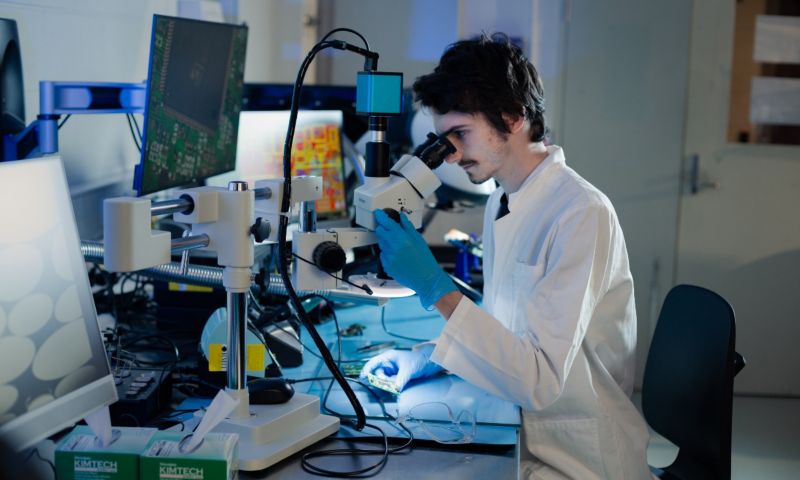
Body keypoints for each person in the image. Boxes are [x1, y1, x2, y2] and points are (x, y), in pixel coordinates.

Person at [361, 33, 652, 479]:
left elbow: (539, 378)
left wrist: (437, 290)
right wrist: (428, 356)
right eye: (443, 139)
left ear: (513, 117)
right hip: (523, 431)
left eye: (460, 134)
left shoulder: (581, 214)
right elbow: (508, 333)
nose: (452, 154)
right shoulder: (503, 199)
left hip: (578, 458)